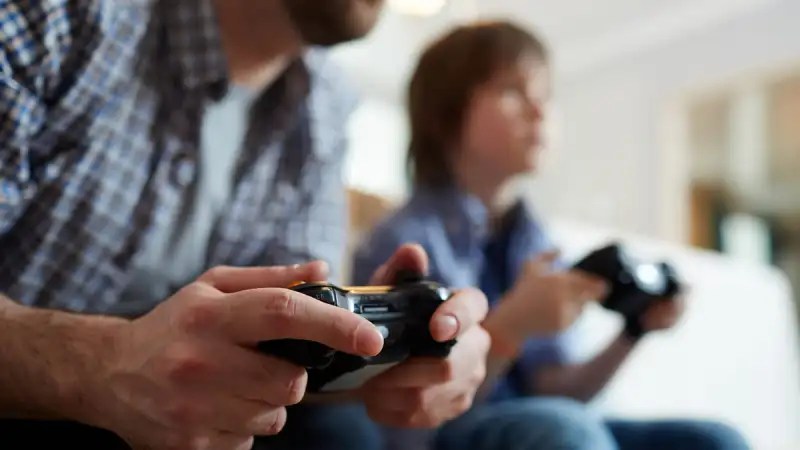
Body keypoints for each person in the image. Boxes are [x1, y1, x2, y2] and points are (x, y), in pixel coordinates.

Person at [0, 1, 491, 449]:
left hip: (191, 425)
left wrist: (377, 355)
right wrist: (105, 362)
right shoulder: (62, 17)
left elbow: (286, 348)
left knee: (340, 432)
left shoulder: (326, 104)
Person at [352, 20, 752, 450]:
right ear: (445, 114)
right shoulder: (405, 243)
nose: (539, 111)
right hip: (454, 432)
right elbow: (414, 419)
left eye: (544, 96)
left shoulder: (536, 239)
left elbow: (560, 390)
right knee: (566, 429)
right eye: (512, 91)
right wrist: (511, 327)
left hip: (547, 424)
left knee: (714, 441)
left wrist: (633, 332)